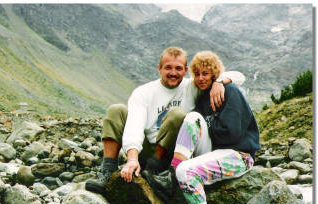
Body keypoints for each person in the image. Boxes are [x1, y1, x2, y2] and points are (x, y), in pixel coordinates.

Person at [143, 51, 261, 204]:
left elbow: (232, 134)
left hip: (238, 154)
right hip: (216, 150)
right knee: (192, 118)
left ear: (215, 73)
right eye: (197, 74)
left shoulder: (229, 91)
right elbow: (200, 126)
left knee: (187, 172)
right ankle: (171, 176)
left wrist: (221, 86)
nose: (201, 78)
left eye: (206, 73)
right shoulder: (203, 98)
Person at [85, 46, 245, 194]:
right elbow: (134, 124)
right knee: (116, 110)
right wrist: (132, 159)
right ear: (159, 68)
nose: (173, 73)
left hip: (173, 154)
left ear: (185, 70)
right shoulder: (144, 92)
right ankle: (107, 170)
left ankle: (161, 171)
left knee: (178, 114)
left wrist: (219, 82)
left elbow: (239, 76)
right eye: (168, 67)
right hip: (146, 150)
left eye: (178, 68)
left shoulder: (193, 86)